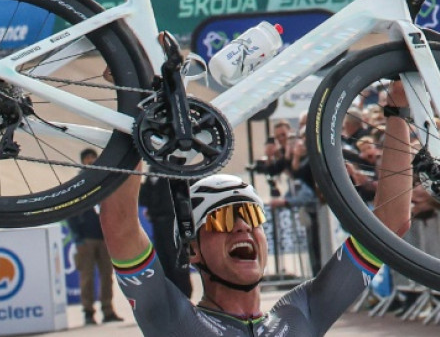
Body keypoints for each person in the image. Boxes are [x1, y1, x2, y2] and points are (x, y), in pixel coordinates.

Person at [98, 87, 414, 336]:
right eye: (221, 219)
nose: (242, 228)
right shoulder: (171, 319)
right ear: (192, 249)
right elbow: (120, 225)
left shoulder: (302, 312)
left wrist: (397, 110)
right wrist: (134, 109)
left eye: (251, 217)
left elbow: (390, 223)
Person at [67, 149, 125, 326]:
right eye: (88, 158)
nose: (91, 161)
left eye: (94, 158)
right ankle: (88, 312)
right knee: (87, 276)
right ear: (83, 161)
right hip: (87, 237)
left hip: (105, 237)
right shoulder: (78, 183)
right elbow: (71, 211)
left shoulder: (105, 180)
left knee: (107, 275)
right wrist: (78, 236)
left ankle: (108, 310)